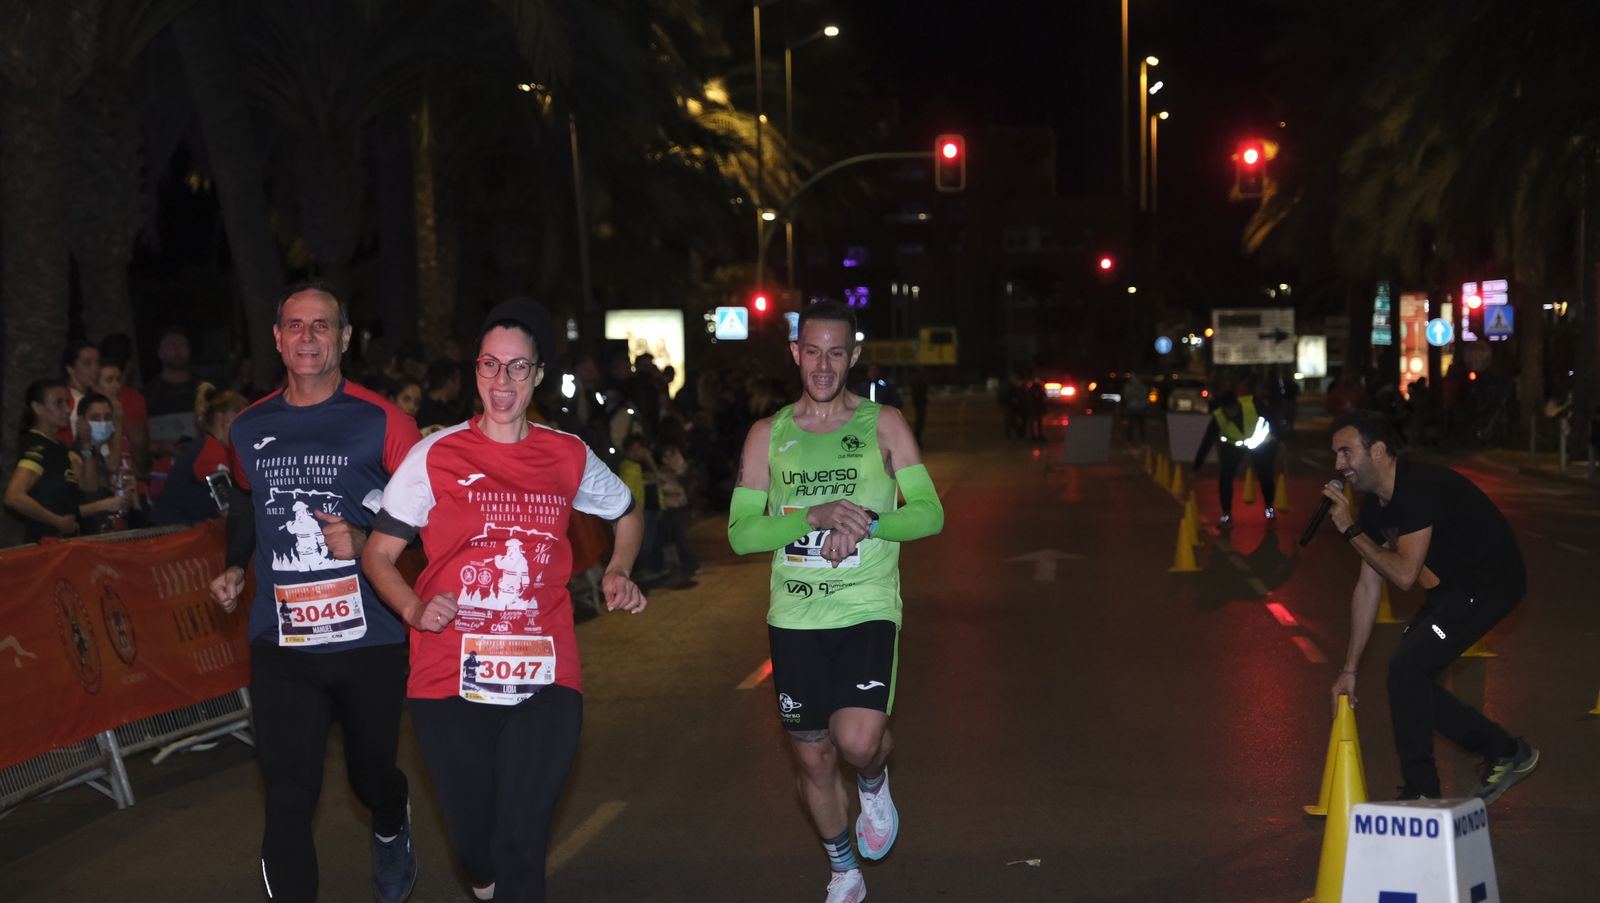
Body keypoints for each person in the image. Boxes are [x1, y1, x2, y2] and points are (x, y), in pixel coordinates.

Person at [363, 299, 645, 903]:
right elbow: (378, 555)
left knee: (521, 840)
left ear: (538, 375)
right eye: (490, 365)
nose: (502, 381)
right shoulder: (435, 456)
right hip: (447, 676)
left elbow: (626, 513)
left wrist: (619, 568)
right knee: (475, 847)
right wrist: (414, 609)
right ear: (475, 370)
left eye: (518, 368)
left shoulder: (565, 454)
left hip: (545, 674)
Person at [207, 282, 420, 903]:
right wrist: (235, 565)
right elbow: (247, 503)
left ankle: (389, 818)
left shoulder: (385, 420)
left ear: (345, 338)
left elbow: (429, 517)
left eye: (321, 326)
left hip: (369, 636)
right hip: (283, 642)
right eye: (295, 326)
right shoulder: (250, 426)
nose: (307, 337)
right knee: (288, 792)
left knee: (371, 776)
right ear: (277, 339)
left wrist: (368, 537)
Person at [727, 300, 944, 903]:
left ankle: (874, 781)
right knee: (815, 759)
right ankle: (843, 869)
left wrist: (870, 522)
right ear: (796, 353)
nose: (824, 365)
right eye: (813, 351)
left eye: (837, 353)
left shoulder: (886, 424)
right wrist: (812, 516)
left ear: (854, 356)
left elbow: (929, 515)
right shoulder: (768, 436)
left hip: (866, 607)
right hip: (794, 616)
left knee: (855, 742)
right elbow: (743, 533)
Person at [1321, 411, 1538, 803]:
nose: (1339, 465)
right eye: (1336, 455)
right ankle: (1505, 751)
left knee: (1408, 669)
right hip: (1451, 589)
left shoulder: (1416, 488)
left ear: (1379, 450)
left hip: (1489, 583)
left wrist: (1349, 529)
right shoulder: (1374, 508)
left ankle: (1422, 794)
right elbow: (1368, 586)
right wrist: (1349, 670)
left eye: (1346, 453)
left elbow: (1404, 575)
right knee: (1408, 679)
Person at [5, 380, 128, 542]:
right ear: (38, 408)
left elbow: (89, 487)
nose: (67, 409)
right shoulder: (38, 446)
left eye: (67, 403)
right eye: (59, 404)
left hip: (67, 544)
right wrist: (56, 520)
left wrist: (86, 444)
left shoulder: (58, 447)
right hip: (46, 546)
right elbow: (13, 496)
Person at [151, 383, 248, 526]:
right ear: (223, 419)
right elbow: (228, 510)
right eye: (241, 419)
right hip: (173, 538)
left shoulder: (209, 446)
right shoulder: (211, 451)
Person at [1192, 388, 1278, 525]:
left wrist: (1279, 437)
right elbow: (1207, 442)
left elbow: (1272, 419)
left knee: (1265, 474)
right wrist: (1196, 467)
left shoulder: (1253, 405)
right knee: (1225, 476)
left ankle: (1269, 508)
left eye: (1232, 411)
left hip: (1259, 444)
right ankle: (1226, 513)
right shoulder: (1218, 417)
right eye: (1226, 411)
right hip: (1233, 446)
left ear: (1237, 405)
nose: (1229, 415)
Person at [147, 328, 203, 457]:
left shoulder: (203, 390)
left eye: (182, 345)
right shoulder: (149, 394)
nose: (177, 350)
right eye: (171, 345)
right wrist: (160, 447)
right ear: (160, 352)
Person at [415, 359, 463, 430]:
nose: (459, 387)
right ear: (449, 382)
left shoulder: (417, 407)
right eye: (458, 381)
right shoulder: (447, 417)